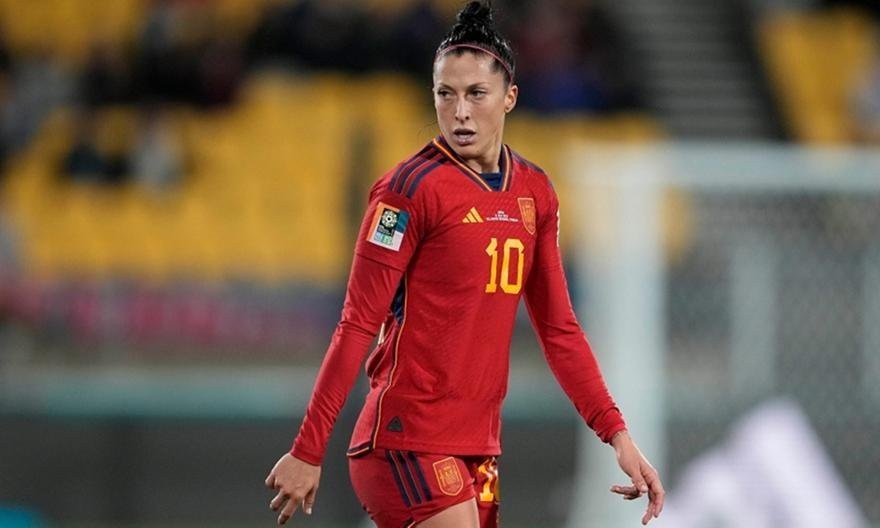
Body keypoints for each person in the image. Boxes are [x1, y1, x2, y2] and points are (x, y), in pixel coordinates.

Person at [264, 2, 664, 527]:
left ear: (509, 96)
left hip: (478, 447)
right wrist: (308, 449)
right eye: (445, 94)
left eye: (476, 93)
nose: (459, 112)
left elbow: (559, 331)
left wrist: (617, 435)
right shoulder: (407, 192)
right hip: (406, 439)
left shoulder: (535, 192)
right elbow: (357, 323)